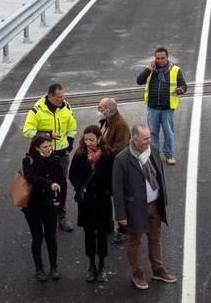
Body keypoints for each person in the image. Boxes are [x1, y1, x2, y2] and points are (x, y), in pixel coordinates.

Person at [112, 124, 177, 290]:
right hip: (134, 209)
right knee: (135, 241)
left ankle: (158, 270)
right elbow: (117, 190)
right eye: (145, 139)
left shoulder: (153, 151)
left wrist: (164, 201)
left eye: (149, 137)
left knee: (155, 238)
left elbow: (160, 176)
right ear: (135, 140)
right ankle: (137, 273)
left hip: (154, 204)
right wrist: (121, 215)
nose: (149, 141)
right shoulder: (122, 159)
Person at [23, 82, 78, 232]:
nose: (62, 99)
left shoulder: (66, 106)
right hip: (42, 157)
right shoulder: (37, 110)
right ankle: (42, 214)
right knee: (42, 185)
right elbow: (27, 131)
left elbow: (72, 127)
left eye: (63, 96)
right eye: (59, 97)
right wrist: (47, 134)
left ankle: (61, 216)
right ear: (50, 96)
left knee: (61, 185)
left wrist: (69, 146)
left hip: (61, 154)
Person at [69, 125, 114, 283]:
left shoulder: (108, 154)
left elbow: (113, 176)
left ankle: (101, 265)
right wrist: (79, 187)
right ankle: (91, 265)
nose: (88, 142)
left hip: (102, 201)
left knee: (101, 235)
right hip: (87, 203)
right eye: (86, 139)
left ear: (99, 139)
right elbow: (72, 174)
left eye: (91, 139)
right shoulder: (80, 154)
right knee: (89, 235)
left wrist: (109, 190)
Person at [22, 133, 65, 281]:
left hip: (50, 205)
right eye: (45, 147)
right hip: (33, 206)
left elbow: (62, 182)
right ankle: (39, 268)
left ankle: (54, 267)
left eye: (49, 146)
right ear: (36, 147)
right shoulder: (29, 160)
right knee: (37, 237)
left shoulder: (55, 159)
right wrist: (49, 183)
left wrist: (59, 201)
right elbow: (31, 177)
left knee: (51, 237)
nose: (48, 149)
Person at [136, 47, 187, 165]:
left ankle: (169, 155)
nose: (160, 61)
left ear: (167, 57)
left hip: (167, 109)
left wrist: (180, 90)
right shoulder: (150, 70)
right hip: (153, 108)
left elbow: (184, 85)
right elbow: (139, 81)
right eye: (157, 58)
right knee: (152, 133)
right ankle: (154, 155)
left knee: (168, 133)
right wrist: (148, 70)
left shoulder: (175, 70)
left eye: (162, 58)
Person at [97, 97, 131, 245]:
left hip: (116, 169)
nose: (99, 109)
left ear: (108, 110)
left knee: (120, 198)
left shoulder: (120, 124)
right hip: (107, 167)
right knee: (107, 196)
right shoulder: (108, 121)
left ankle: (124, 230)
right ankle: (108, 225)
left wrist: (100, 151)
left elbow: (120, 149)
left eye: (101, 107)